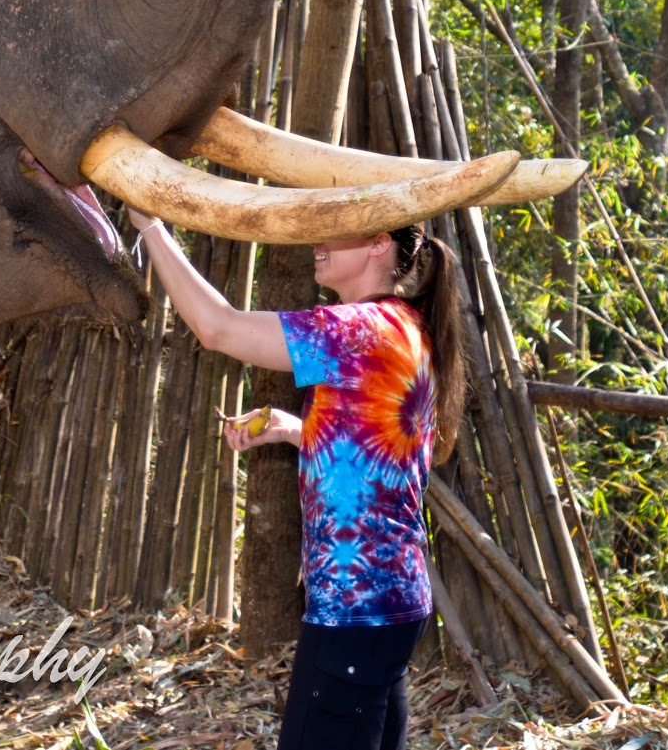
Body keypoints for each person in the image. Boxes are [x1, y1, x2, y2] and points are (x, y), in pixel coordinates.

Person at [127, 209, 467, 750]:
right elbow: (380, 457)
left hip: (353, 613)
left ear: (379, 243)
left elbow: (218, 328)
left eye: (336, 228)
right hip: (396, 602)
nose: (318, 237)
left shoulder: (355, 329)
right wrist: (297, 429)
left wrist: (150, 228)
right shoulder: (407, 325)